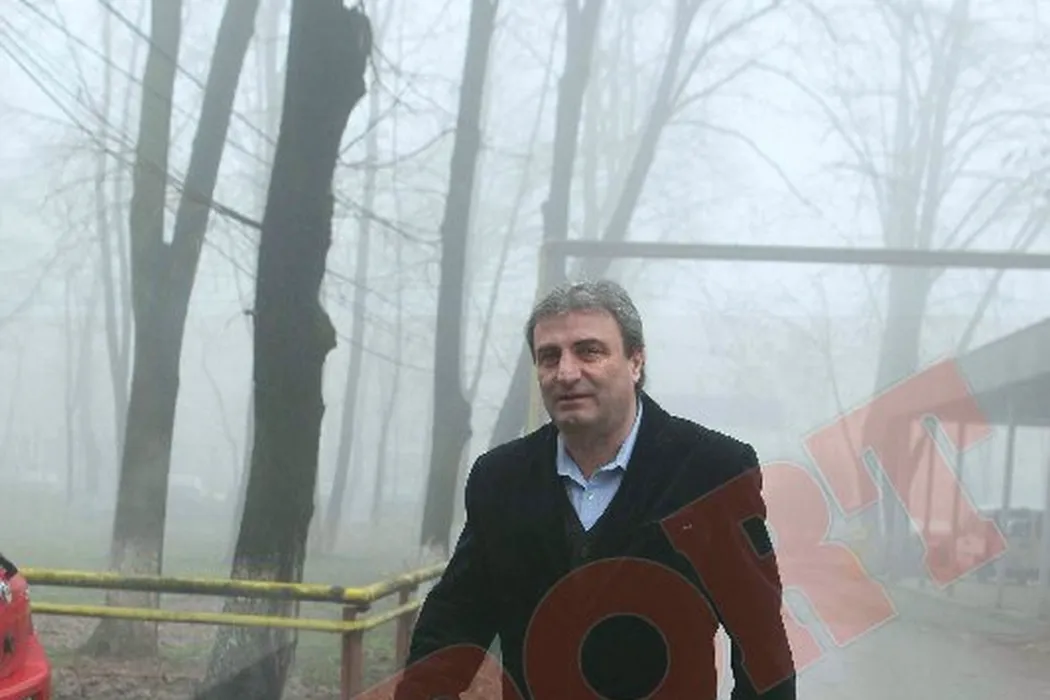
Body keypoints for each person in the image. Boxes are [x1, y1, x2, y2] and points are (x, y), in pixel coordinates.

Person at [396, 280, 796, 699]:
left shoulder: (712, 471)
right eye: (549, 356)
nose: (566, 373)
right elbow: (452, 626)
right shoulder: (500, 480)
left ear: (635, 361)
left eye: (589, 351)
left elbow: (762, 646)